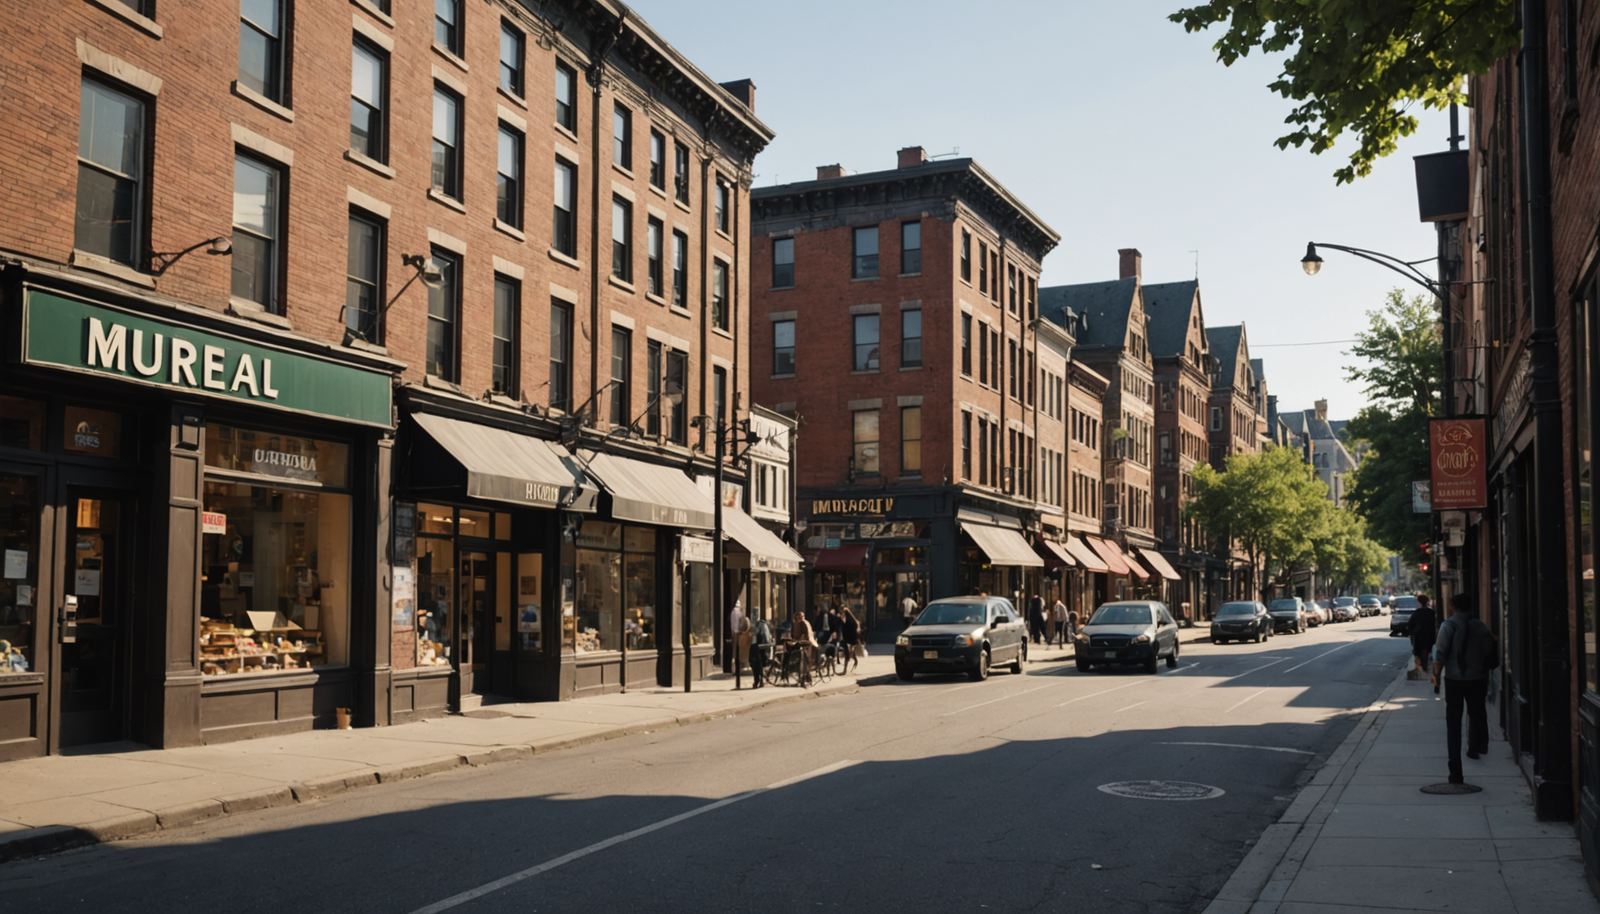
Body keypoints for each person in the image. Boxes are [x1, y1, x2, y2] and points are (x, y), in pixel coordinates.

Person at [1432, 592, 1493, 784]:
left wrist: (1435, 677)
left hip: (1454, 680)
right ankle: (1476, 746)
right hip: (1477, 679)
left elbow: (1440, 655)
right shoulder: (1480, 626)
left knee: (1453, 724)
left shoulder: (1448, 626)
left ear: (1453, 607)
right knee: (1477, 713)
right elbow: (1490, 650)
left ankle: (1455, 771)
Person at [1409, 594, 1437, 676]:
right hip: (1429, 635)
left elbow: (1410, 624)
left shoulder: (1417, 612)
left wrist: (1412, 634)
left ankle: (1421, 669)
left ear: (1419, 602)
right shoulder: (1431, 612)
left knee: (1419, 653)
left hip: (1419, 636)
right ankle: (1425, 668)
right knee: (1427, 651)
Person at [789, 609, 817, 686]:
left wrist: (801, 639)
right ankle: (803, 675)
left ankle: (805, 676)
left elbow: (806, 634)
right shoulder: (795, 624)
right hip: (801, 643)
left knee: (805, 660)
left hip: (806, 644)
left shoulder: (804, 623)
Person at [750, 616, 774, 688]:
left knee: (756, 664)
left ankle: (758, 680)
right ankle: (760, 680)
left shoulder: (759, 625)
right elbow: (766, 639)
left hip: (757, 647)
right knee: (759, 664)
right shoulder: (763, 625)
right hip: (761, 647)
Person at [728, 601, 749, 674]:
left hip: (733, 632)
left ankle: (733, 666)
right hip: (739, 633)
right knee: (739, 650)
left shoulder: (732, 613)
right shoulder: (739, 613)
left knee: (734, 650)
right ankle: (738, 666)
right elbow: (743, 624)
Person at [840, 606, 862, 674]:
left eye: (843, 612)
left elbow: (849, 631)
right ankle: (855, 661)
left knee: (848, 653)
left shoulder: (849, 622)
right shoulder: (850, 620)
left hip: (850, 640)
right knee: (851, 652)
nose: (842, 614)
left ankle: (845, 669)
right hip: (850, 640)